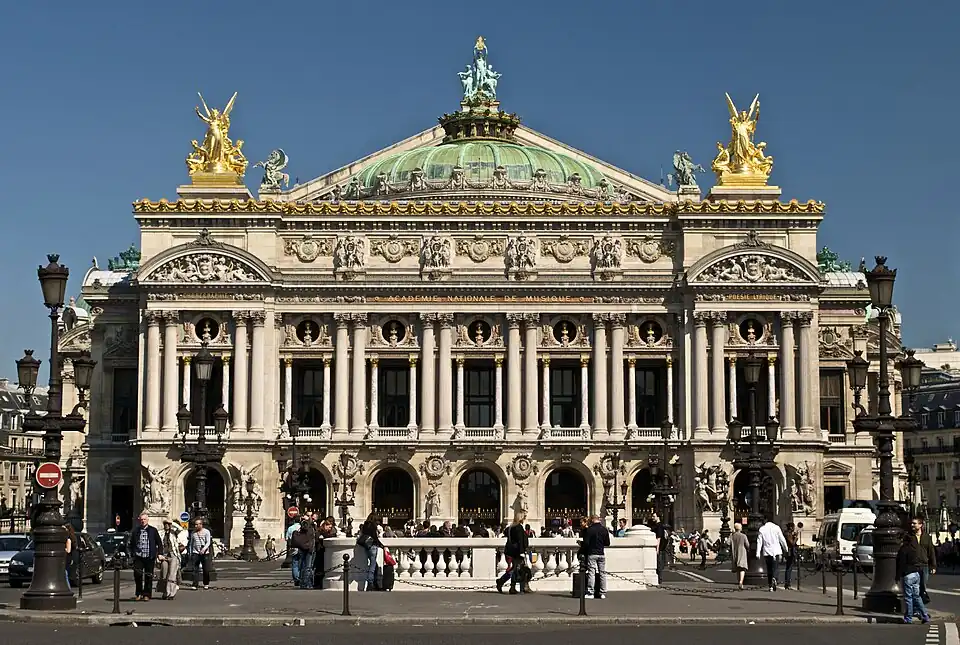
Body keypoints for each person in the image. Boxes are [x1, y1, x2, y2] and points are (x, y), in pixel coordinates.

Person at [898, 531, 931, 623]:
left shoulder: (903, 549)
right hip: (916, 574)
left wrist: (898, 575)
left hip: (908, 574)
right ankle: (924, 615)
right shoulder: (915, 549)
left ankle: (908, 617)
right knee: (917, 596)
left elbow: (901, 564)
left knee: (908, 597)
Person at [128, 513, 163, 601]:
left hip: (149, 556)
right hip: (139, 557)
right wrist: (132, 554)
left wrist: (159, 553)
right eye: (141, 519)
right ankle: (138, 593)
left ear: (147, 520)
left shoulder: (153, 530)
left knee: (148, 576)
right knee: (138, 575)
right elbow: (131, 544)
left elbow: (159, 543)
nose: (143, 521)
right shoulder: (136, 531)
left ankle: (147, 594)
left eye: (144, 519)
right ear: (139, 520)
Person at [497, 510, 529, 594]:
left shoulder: (510, 527)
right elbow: (520, 541)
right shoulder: (519, 527)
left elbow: (506, 533)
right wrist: (522, 552)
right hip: (517, 551)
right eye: (523, 517)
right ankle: (503, 582)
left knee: (514, 569)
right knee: (516, 569)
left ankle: (511, 586)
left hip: (510, 550)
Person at [580, 514, 611, 599]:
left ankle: (590, 592)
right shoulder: (604, 530)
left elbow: (586, 543)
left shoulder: (590, 530)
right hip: (601, 553)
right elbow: (607, 543)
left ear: (592, 520)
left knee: (591, 573)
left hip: (592, 553)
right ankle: (602, 592)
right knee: (602, 573)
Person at [756, 515, 788, 592]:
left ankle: (770, 585)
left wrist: (757, 552)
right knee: (775, 567)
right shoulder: (776, 528)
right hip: (776, 551)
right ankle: (775, 578)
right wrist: (785, 548)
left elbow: (759, 542)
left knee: (769, 568)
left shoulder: (762, 529)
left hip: (767, 552)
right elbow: (782, 539)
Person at [357, 513, 383, 591]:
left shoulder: (365, 525)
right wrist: (381, 545)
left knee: (374, 564)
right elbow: (374, 537)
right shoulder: (373, 526)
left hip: (366, 546)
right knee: (372, 565)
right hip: (373, 546)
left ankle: (375, 583)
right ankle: (370, 583)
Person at [157, 519, 183, 600]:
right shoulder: (160, 533)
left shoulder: (174, 532)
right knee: (164, 574)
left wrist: (172, 522)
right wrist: (158, 556)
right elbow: (157, 545)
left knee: (172, 575)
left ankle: (171, 593)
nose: (167, 525)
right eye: (165, 524)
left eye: (168, 524)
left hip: (173, 555)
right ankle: (165, 591)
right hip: (164, 555)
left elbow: (180, 529)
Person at [188, 518, 213, 590]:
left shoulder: (206, 532)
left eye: (197, 524)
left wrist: (204, 549)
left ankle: (206, 583)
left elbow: (208, 542)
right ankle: (195, 584)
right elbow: (191, 543)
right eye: (195, 524)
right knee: (195, 569)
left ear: (201, 525)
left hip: (205, 553)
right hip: (196, 552)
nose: (195, 526)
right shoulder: (193, 533)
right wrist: (190, 552)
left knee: (206, 569)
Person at [730, 523, 749, 590]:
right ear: (740, 528)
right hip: (742, 553)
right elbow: (747, 545)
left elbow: (728, 543)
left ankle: (739, 581)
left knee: (738, 568)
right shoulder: (743, 536)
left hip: (734, 553)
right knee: (742, 568)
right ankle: (741, 582)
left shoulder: (732, 536)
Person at [783, 522, 798, 590]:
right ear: (791, 527)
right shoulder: (787, 534)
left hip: (790, 552)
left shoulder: (788, 533)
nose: (794, 528)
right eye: (793, 527)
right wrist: (796, 537)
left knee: (789, 568)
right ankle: (787, 584)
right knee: (789, 568)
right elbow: (792, 543)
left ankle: (787, 583)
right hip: (789, 553)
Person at [64, 523, 77, 590]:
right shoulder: (71, 538)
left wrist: (63, 549)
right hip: (68, 558)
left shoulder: (68, 539)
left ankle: (68, 589)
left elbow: (68, 550)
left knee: (64, 573)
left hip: (67, 558)